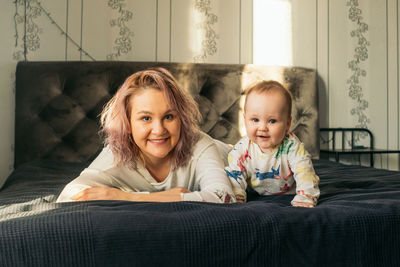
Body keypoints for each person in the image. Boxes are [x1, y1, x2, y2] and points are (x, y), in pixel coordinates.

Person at [57, 67, 235, 204]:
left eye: (169, 116)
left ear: (181, 119)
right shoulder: (117, 153)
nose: (158, 130)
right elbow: (69, 195)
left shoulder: (201, 144)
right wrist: (164, 197)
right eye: (146, 118)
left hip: (246, 160)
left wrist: (129, 198)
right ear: (127, 124)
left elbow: (224, 196)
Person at [225, 80, 320, 208]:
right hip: (255, 194)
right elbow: (234, 175)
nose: (263, 127)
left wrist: (305, 197)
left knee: (306, 171)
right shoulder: (242, 149)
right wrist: (237, 196)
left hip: (288, 194)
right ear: (245, 120)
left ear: (287, 124)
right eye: (255, 120)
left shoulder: (292, 146)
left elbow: (304, 171)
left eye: (272, 121)